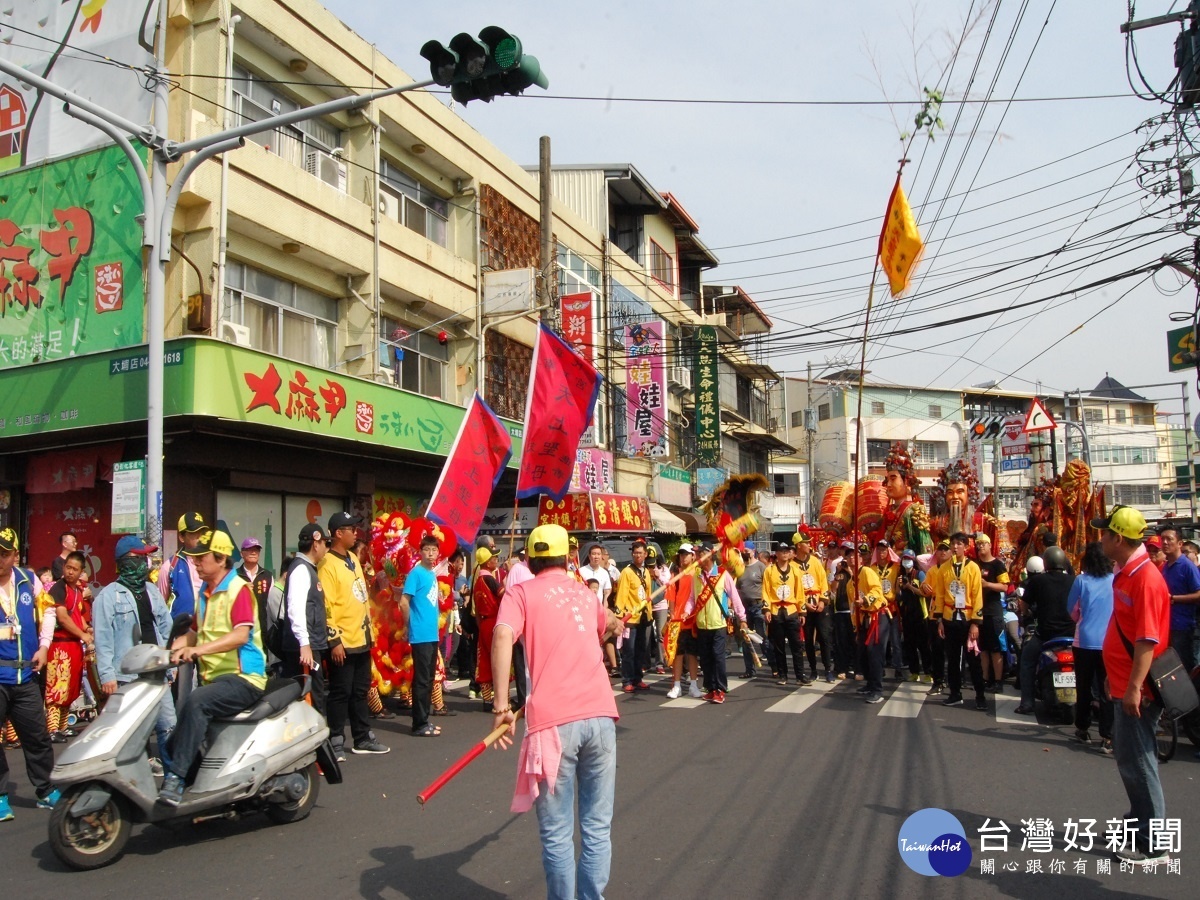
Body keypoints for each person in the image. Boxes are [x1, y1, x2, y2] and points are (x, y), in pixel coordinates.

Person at [490, 524, 621, 900]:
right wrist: (614, 623)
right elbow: (607, 625)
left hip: (553, 725)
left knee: (558, 832)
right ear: (569, 558)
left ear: (529, 560)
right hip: (600, 716)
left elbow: (502, 635)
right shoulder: (584, 594)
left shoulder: (519, 592)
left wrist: (502, 705)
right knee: (596, 827)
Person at [160, 529, 269, 805]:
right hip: (217, 681)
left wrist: (196, 650)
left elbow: (240, 635)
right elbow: (195, 631)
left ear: (221, 559)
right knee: (179, 726)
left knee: (195, 703)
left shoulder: (238, 589)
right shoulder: (205, 593)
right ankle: (195, 787)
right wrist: (170, 650)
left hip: (244, 677)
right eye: (194, 558)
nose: (196, 563)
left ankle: (175, 779)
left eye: (201, 558)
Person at [1093, 505, 1172, 863]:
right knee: (1131, 758)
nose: (1101, 539)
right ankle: (1137, 824)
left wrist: (1135, 687)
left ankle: (1155, 844)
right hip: (1124, 682)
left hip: (1138, 690)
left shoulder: (1146, 578)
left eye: (1105, 533)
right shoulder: (1128, 571)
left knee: (1139, 762)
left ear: (1119, 539)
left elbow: (1147, 640)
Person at [92, 535, 177, 771]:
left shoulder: (151, 591)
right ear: (126, 561)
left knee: (168, 725)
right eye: (140, 557)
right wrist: (107, 675)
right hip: (127, 675)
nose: (145, 562)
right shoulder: (108, 596)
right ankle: (132, 775)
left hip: (157, 670)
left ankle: (173, 777)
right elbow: (103, 639)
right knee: (130, 729)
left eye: (146, 557)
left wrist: (172, 664)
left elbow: (165, 627)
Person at [0, 527, 60, 821]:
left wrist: (45, 645)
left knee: (37, 736)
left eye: (3, 554)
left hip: (26, 677)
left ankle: (46, 789)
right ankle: (0, 798)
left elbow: (49, 610)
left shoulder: (28, 579)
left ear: (14, 555)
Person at [319, 512, 387, 759]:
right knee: (340, 691)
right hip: (343, 641)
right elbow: (326, 605)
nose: (355, 532)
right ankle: (336, 739)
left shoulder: (353, 559)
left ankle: (362, 737)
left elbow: (361, 597)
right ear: (338, 533)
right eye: (351, 528)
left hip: (362, 638)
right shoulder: (327, 564)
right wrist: (334, 640)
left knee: (361, 690)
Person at [1016, 545, 1076, 715]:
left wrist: (1026, 612)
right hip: (1071, 636)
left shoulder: (1037, 581)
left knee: (1027, 662)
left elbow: (1024, 606)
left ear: (1046, 563)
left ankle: (1027, 703)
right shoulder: (1074, 580)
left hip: (1045, 636)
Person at [1067, 540, 1115, 752]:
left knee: (1083, 687)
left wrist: (1082, 619)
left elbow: (1071, 609)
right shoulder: (1115, 580)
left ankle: (1083, 728)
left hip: (1084, 640)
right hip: (1108, 642)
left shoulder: (1081, 580)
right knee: (1107, 689)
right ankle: (1107, 736)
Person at [932, 532, 986, 711]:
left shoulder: (972, 567)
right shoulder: (944, 568)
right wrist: (939, 619)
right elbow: (939, 594)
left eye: (959, 544)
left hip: (967, 618)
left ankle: (980, 695)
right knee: (952, 659)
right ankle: (955, 693)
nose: (955, 547)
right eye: (953, 544)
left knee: (973, 658)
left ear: (966, 546)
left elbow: (977, 595)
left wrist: (975, 623)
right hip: (949, 618)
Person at [280, 523, 330, 717]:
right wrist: (304, 643)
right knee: (309, 699)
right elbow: (295, 608)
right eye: (324, 543)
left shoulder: (308, 568)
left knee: (315, 694)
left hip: (310, 643)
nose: (326, 548)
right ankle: (315, 746)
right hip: (304, 647)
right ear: (315, 544)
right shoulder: (301, 569)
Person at [42, 550, 92, 742]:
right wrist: (82, 634)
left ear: (81, 572)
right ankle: (52, 728)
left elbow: (78, 617)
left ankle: (63, 726)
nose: (70, 572)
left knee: (71, 687)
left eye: (75, 569)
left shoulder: (78, 591)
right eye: (68, 567)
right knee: (58, 687)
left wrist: (88, 630)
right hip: (60, 646)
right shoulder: (58, 588)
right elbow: (62, 618)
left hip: (74, 646)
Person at [401, 535, 443, 738]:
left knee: (428, 678)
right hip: (420, 634)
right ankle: (418, 723)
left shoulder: (431, 573)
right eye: (427, 550)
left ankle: (424, 719)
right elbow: (404, 601)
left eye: (434, 550)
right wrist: (408, 625)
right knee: (421, 680)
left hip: (431, 634)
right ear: (420, 552)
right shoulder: (415, 573)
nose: (430, 553)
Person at [693, 543, 745, 703]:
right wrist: (687, 613)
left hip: (718, 624)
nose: (697, 557)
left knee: (718, 656)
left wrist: (742, 618)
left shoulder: (723, 574)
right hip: (702, 624)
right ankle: (710, 688)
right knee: (706, 658)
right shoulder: (696, 575)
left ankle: (720, 689)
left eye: (700, 554)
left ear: (709, 555)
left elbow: (734, 597)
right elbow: (691, 598)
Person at [613, 540, 654, 693]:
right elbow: (621, 594)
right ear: (632, 554)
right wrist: (619, 616)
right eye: (635, 553)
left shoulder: (645, 572)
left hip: (643, 616)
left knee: (640, 650)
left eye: (640, 553)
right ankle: (627, 680)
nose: (638, 555)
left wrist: (650, 613)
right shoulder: (627, 572)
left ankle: (638, 678)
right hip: (630, 617)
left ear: (645, 554)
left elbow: (648, 594)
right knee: (629, 650)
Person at [764, 540, 807, 686]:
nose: (785, 553)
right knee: (779, 646)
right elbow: (766, 591)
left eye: (787, 551)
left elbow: (799, 592)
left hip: (792, 610)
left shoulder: (795, 570)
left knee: (796, 645)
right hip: (776, 610)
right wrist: (767, 609)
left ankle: (800, 675)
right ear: (776, 554)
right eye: (782, 551)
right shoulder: (769, 570)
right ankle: (783, 674)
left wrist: (802, 612)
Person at [1158, 526, 1200, 674]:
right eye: (1162, 539)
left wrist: (1174, 598)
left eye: (1169, 539)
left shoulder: (1187, 566)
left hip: (1182, 625)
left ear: (1180, 544)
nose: (1164, 542)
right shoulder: (1165, 566)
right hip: (1167, 624)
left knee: (1184, 666)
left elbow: (1198, 594)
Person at [851, 543, 889, 704]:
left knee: (875, 653)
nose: (852, 558)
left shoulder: (867, 572)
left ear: (861, 558)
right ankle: (870, 683)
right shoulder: (850, 582)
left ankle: (877, 689)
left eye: (855, 555)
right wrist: (856, 627)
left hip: (877, 616)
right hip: (865, 619)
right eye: (848, 555)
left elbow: (876, 590)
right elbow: (853, 608)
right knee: (865, 652)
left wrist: (866, 600)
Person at [664, 544, 703, 700]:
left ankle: (693, 685)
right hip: (678, 621)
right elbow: (671, 599)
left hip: (693, 620)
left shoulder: (697, 573)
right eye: (681, 554)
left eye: (686, 554)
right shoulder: (675, 575)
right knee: (677, 655)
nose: (683, 557)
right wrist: (672, 616)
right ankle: (677, 685)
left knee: (692, 655)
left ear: (693, 556)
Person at [796, 534, 834, 683]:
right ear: (799, 545)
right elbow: (795, 588)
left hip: (819, 603)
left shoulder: (815, 562)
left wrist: (823, 601)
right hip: (805, 605)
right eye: (806, 543)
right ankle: (813, 669)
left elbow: (824, 581)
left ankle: (828, 668)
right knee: (808, 640)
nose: (809, 546)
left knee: (824, 637)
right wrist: (804, 604)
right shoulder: (793, 565)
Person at [975, 534, 1010, 693]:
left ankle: (998, 680)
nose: (980, 546)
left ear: (990, 545)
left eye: (984, 543)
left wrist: (987, 584)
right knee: (983, 648)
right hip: (979, 611)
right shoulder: (975, 564)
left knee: (996, 648)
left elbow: (1004, 587)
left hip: (993, 611)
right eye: (978, 544)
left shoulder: (998, 565)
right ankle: (985, 678)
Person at [160, 511, 209, 618]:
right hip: (180, 631)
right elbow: (160, 605)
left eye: (202, 532)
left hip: (207, 630)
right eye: (193, 533)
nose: (199, 536)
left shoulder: (212, 563)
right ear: (182, 537)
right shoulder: (169, 567)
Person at [896, 548, 932, 682]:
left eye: (909, 560)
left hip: (920, 614)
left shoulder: (920, 574)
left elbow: (924, 593)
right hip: (907, 614)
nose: (907, 562)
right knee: (910, 645)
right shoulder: (900, 575)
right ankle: (914, 672)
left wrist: (909, 586)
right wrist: (900, 586)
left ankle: (928, 672)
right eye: (905, 559)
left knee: (923, 645)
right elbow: (897, 596)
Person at [921, 539, 951, 694]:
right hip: (934, 615)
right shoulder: (933, 570)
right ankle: (938, 681)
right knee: (937, 650)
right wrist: (923, 586)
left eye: (946, 549)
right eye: (940, 549)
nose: (943, 552)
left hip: (951, 615)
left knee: (952, 651)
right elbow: (926, 589)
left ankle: (953, 681)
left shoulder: (954, 570)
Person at [736, 547, 770, 678]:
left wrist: (767, 607)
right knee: (746, 639)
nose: (745, 553)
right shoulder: (740, 568)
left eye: (746, 550)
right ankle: (749, 670)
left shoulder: (761, 566)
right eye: (742, 551)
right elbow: (738, 589)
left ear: (753, 550)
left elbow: (767, 587)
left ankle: (774, 666)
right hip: (745, 608)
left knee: (762, 637)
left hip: (759, 606)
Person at [236, 536, 275, 639]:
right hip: (239, 629)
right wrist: (240, 589)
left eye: (256, 550)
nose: (253, 552)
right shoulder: (234, 575)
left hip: (262, 630)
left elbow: (272, 604)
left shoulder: (267, 575)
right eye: (249, 549)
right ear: (242, 553)